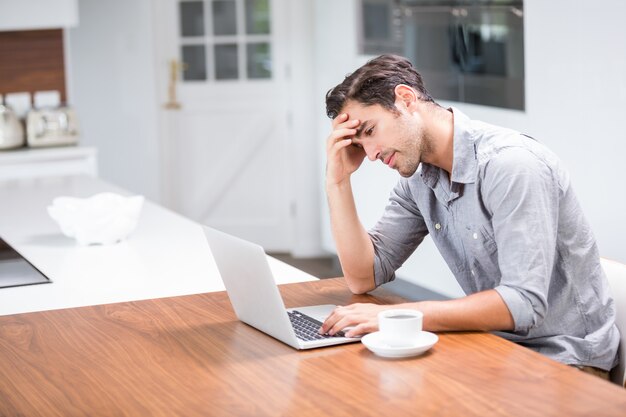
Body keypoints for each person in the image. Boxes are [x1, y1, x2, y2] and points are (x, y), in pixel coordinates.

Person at [319, 54, 619, 376]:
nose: (372, 154)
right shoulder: (420, 180)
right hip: (494, 348)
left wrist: (402, 315)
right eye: (360, 144)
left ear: (405, 100)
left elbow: (523, 303)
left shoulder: (512, 166)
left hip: (569, 362)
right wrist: (338, 181)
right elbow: (363, 276)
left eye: (370, 130)